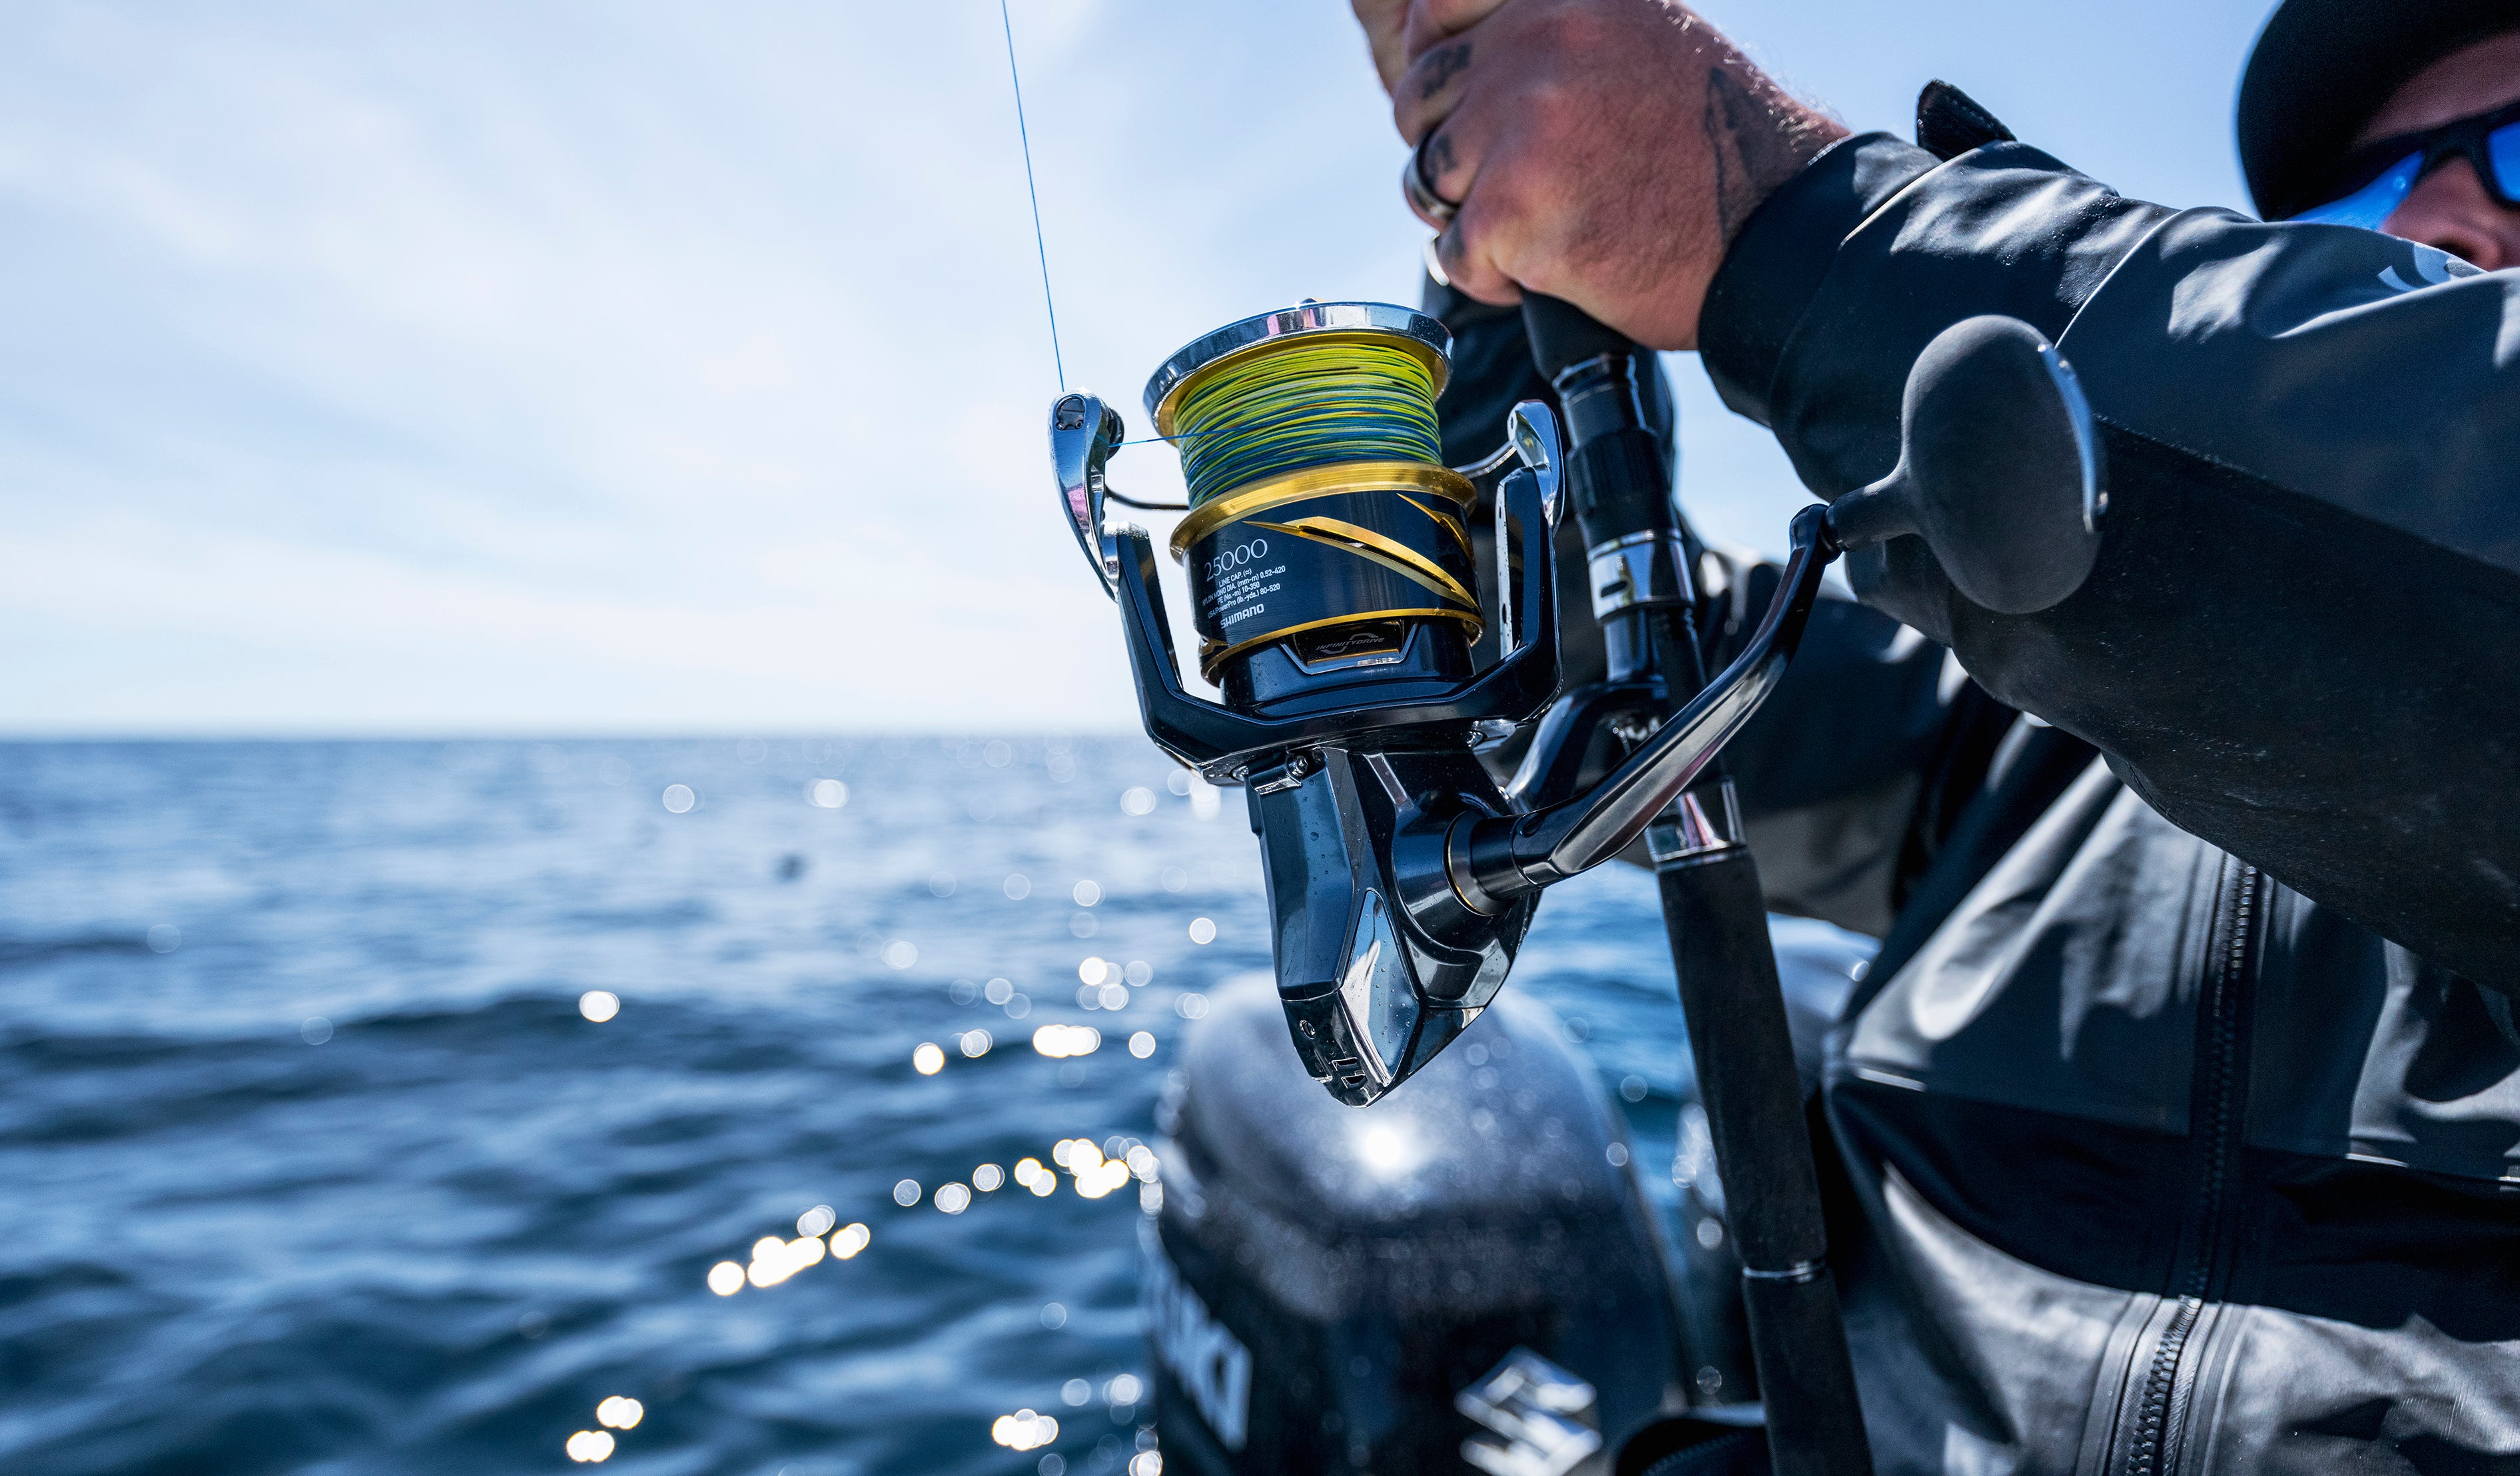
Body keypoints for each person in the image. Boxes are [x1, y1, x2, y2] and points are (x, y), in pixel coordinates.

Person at [1351, 0, 2520, 1470]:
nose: (2433, 215)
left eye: (2513, 152)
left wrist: (1782, 227)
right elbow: (1601, 681)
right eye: (2368, 193)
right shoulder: (2019, 741)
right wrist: (1504, 280)